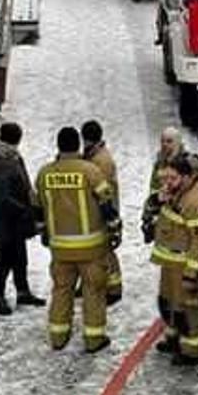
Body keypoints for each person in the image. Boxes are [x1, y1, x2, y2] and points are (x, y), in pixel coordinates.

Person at [36, 126, 118, 352]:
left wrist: (45, 232)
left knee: (62, 290)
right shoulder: (90, 171)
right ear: (78, 144)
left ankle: (58, 336)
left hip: (60, 248)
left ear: (59, 146)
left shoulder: (45, 174)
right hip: (91, 248)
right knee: (93, 291)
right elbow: (106, 204)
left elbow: (37, 209)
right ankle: (94, 339)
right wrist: (114, 229)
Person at [150, 155, 198, 365]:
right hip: (171, 263)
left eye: (173, 179)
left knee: (188, 310)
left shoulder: (195, 200)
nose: (168, 183)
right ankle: (174, 339)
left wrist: (191, 274)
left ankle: (193, 352)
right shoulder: (175, 193)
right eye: (166, 178)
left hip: (185, 265)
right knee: (169, 303)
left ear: (187, 177)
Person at [0, 122, 44, 315]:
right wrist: (24, 209)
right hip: (5, 222)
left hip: (14, 221)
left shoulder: (11, 156)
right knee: (4, 260)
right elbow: (1, 197)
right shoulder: (3, 162)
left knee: (19, 257)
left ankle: (22, 291)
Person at [80, 120, 125, 305]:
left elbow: (102, 190)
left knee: (106, 250)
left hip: (104, 211)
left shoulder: (101, 160)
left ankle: (114, 289)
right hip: (98, 210)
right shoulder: (95, 156)